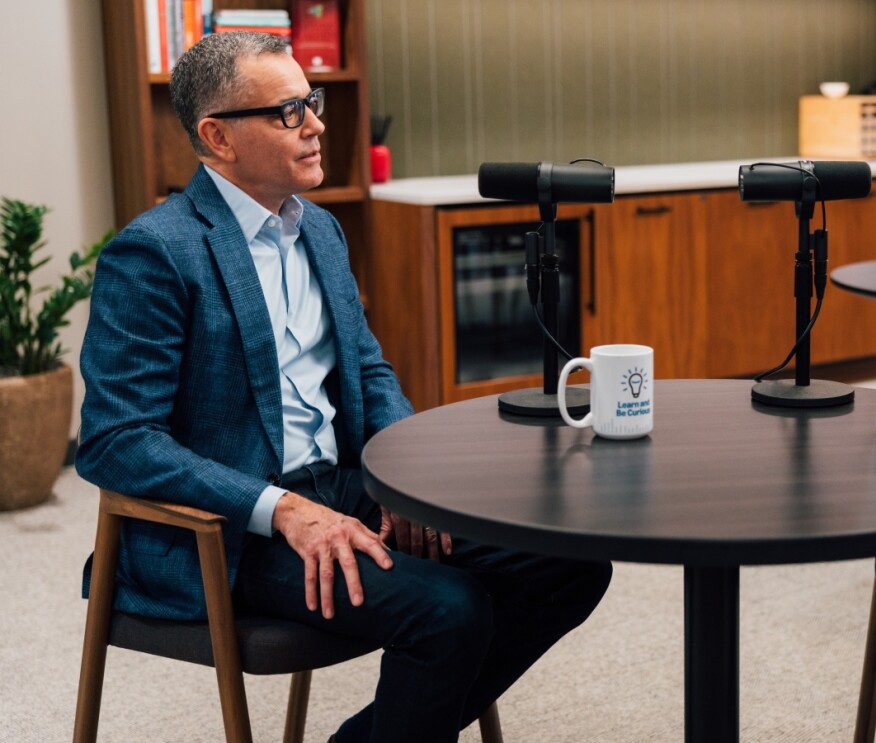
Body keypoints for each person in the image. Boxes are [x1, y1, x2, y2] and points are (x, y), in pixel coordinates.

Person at [77, 31, 611, 742]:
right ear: (218, 137)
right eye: (289, 111)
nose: (317, 125)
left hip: (341, 484)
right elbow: (116, 440)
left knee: (568, 561)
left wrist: (407, 478)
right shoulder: (156, 252)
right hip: (234, 528)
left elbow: (366, 370)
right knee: (449, 609)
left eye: (314, 102)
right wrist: (284, 510)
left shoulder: (321, 230)